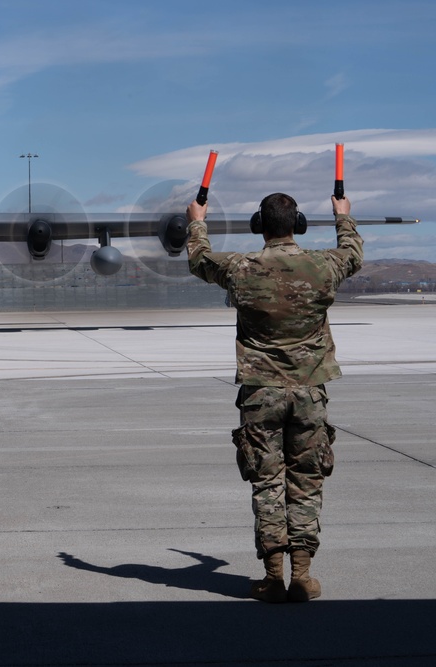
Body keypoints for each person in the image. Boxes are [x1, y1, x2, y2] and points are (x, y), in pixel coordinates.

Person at [186, 192, 363, 603]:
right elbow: (352, 253)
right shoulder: (323, 266)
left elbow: (199, 260)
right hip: (309, 392)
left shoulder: (241, 268)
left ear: (258, 225)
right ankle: (302, 576)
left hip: (260, 393)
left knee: (267, 482)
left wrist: (198, 220)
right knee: (307, 480)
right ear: (297, 223)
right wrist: (342, 217)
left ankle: (273, 577)